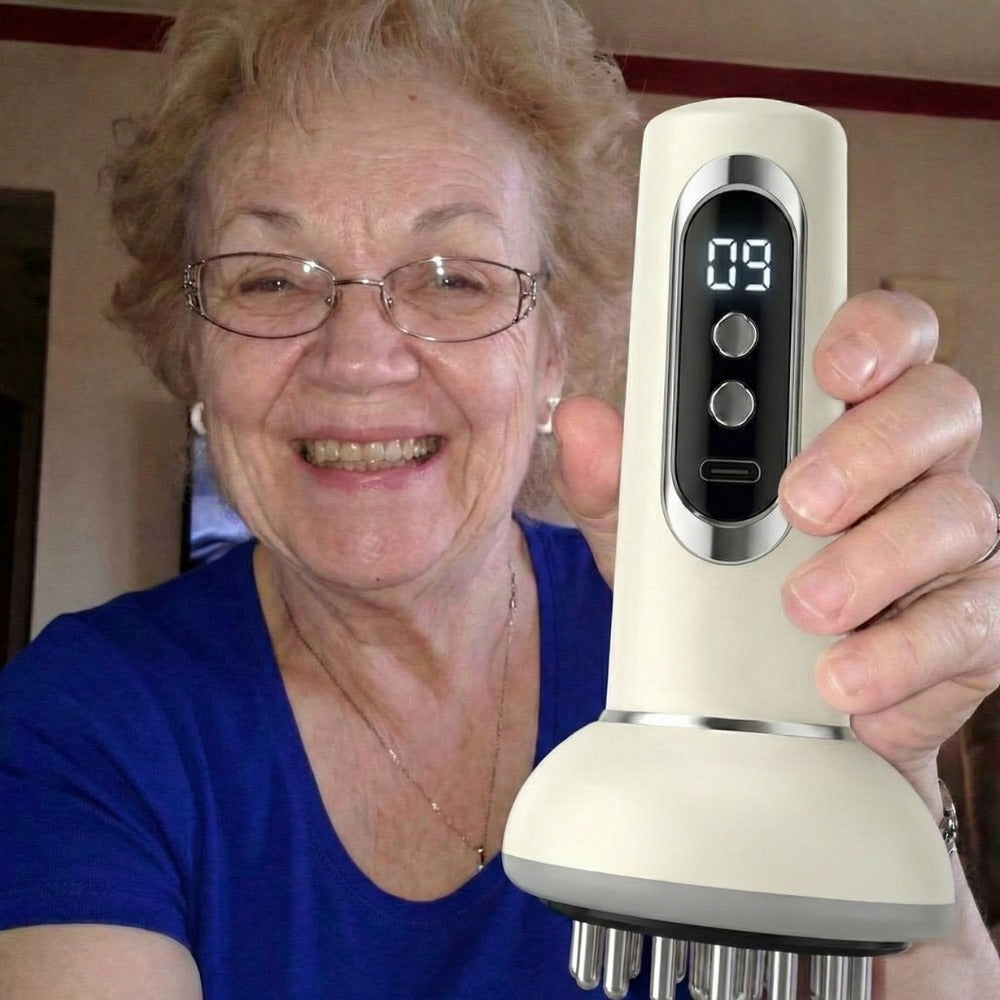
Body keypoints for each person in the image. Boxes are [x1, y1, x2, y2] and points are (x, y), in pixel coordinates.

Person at [1, 1, 998, 997]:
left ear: (552, 348)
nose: (358, 359)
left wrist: (878, 793)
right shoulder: (88, 716)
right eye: (268, 281)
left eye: (453, 280)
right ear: (194, 347)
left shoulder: (723, 660)